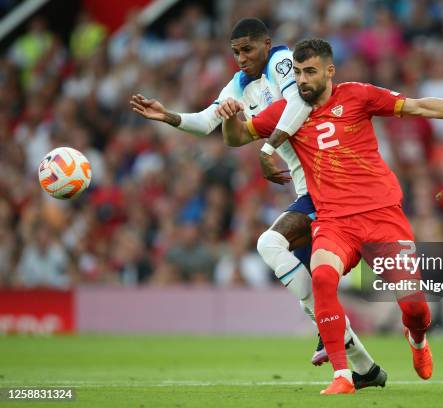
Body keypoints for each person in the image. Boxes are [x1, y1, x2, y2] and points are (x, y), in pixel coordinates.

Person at [220, 38, 443, 394]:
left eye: (310, 72)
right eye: (297, 72)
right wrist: (231, 117)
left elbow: (417, 106)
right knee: (323, 278)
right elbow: (236, 138)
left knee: (416, 308)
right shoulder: (285, 110)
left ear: (329, 71)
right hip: (334, 220)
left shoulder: (358, 95)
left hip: (382, 216)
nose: (302, 80)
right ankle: (343, 376)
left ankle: (417, 339)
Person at [130, 19, 384, 387]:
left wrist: (267, 148)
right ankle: (365, 368)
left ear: (267, 44)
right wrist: (167, 115)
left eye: (248, 49)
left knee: (273, 246)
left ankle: (336, 335)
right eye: (235, 52)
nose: (241, 58)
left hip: (329, 185)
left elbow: (298, 100)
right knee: (306, 290)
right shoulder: (241, 84)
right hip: (306, 189)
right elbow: (206, 123)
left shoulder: (282, 61)